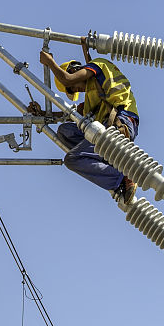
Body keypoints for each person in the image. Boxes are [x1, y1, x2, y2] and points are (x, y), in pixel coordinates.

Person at [32, 37, 139, 205]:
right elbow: (68, 115)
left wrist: (51, 63)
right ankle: (104, 162)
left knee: (72, 159)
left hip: (121, 123)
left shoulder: (98, 67)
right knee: (65, 131)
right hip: (106, 127)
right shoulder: (93, 95)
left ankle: (121, 177)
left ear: (76, 70)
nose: (77, 89)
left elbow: (68, 78)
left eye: (73, 87)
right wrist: (43, 112)